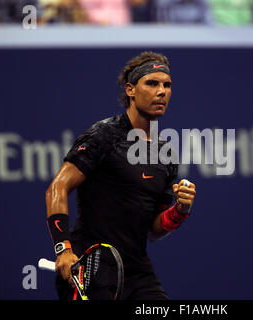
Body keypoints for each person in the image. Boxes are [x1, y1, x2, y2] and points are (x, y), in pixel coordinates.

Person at [45, 51, 196, 300]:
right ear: (130, 90)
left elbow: (154, 230)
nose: (162, 91)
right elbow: (56, 189)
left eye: (167, 85)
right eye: (152, 83)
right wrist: (63, 249)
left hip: (137, 272)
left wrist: (179, 211)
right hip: (89, 269)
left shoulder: (166, 154)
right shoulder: (103, 135)